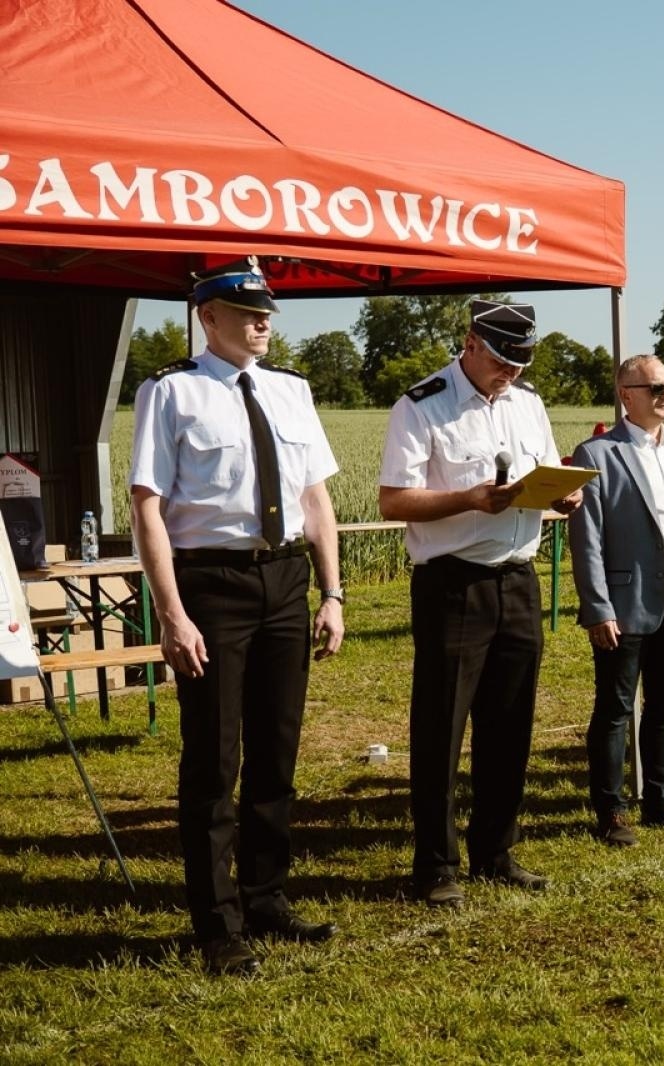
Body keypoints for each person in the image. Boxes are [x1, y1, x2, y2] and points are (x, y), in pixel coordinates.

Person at [129, 257, 344, 976]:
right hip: (212, 586)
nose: (264, 322)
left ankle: (266, 896)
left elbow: (315, 498)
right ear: (207, 316)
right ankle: (217, 923)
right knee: (215, 761)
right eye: (249, 311)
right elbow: (147, 506)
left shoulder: (292, 391)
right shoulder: (172, 392)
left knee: (277, 753)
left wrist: (333, 592)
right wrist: (172, 613)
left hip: (283, 579)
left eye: (268, 312)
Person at [379, 298, 583, 908]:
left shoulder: (528, 404)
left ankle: (496, 850)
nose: (512, 373)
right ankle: (437, 866)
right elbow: (394, 501)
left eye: (520, 363)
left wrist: (562, 498)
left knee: (510, 722)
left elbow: (539, 475)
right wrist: (468, 498)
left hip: (518, 578)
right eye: (502, 360)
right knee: (442, 727)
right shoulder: (423, 405)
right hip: (453, 582)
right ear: (471, 342)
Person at [570, 355, 664, 847]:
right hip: (624, 603)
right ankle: (611, 810)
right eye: (655, 387)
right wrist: (598, 607)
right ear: (627, 395)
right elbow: (586, 539)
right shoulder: (596, 454)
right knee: (615, 709)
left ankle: (661, 800)